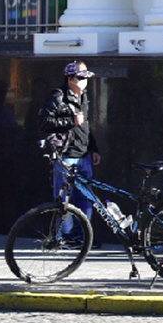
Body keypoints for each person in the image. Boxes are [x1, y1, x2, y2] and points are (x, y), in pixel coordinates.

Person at [38, 61, 101, 233]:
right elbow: (44, 122)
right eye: (81, 78)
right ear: (71, 79)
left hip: (84, 155)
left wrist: (93, 148)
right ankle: (65, 236)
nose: (84, 81)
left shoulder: (83, 96)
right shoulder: (58, 96)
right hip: (66, 155)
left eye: (86, 78)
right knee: (64, 199)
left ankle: (84, 236)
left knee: (86, 198)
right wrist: (71, 121)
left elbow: (85, 126)